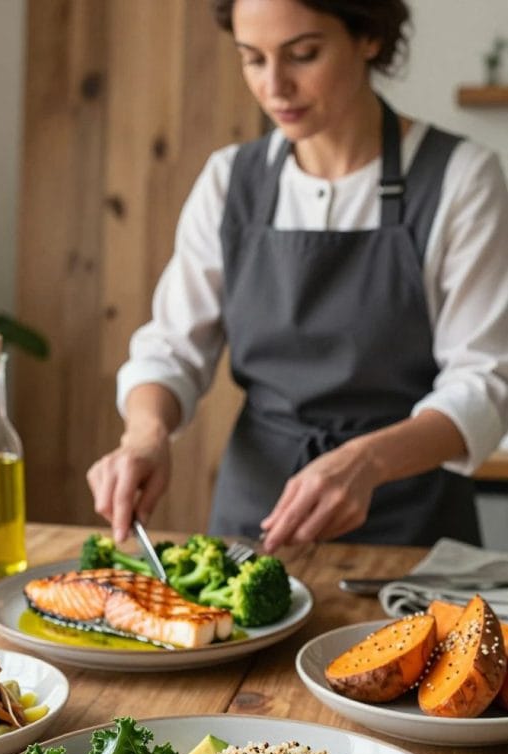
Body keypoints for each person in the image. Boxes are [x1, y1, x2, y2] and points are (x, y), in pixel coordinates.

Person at [87, 0, 508, 552]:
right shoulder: (229, 181)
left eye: (303, 55)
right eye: (252, 59)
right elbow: (171, 350)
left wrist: (366, 461)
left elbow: (485, 382)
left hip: (412, 529)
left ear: (369, 38)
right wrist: (144, 437)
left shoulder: (460, 179)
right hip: (255, 519)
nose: (275, 87)